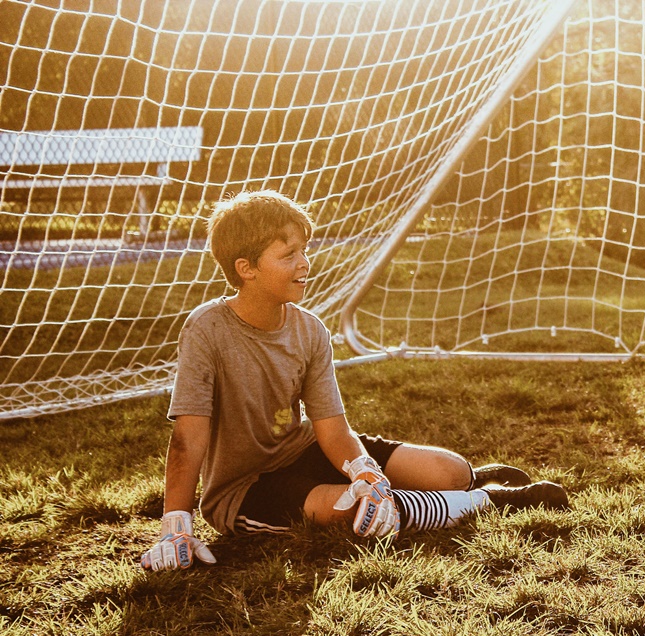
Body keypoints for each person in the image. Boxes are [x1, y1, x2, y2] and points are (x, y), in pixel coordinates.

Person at [140, 190, 568, 571]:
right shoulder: (206, 330)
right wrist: (176, 522)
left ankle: (466, 483)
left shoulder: (309, 329)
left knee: (449, 471)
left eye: (304, 250)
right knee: (354, 513)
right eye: (288, 255)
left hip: (301, 450)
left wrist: (364, 471)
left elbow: (332, 428)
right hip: (245, 488)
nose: (305, 263)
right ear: (246, 268)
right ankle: (489, 500)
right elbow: (187, 438)